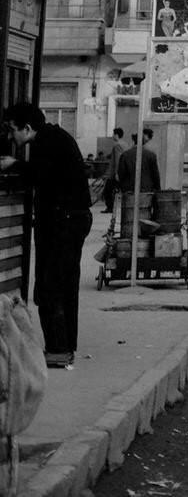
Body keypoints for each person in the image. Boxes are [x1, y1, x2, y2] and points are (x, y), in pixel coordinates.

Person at [1, 102, 95, 368]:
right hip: (68, 220)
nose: (10, 137)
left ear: (27, 128)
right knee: (62, 284)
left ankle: (59, 349)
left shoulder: (48, 142)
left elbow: (41, 175)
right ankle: (63, 348)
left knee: (52, 284)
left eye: (12, 130)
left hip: (63, 222)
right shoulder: (54, 138)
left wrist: (14, 164)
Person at [118, 127, 162, 197]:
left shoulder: (124, 155)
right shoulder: (151, 154)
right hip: (147, 189)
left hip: (129, 189)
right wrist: (157, 188)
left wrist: (122, 186)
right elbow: (155, 174)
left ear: (133, 141)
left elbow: (121, 173)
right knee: (145, 207)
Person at [102, 126, 129, 215]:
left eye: (113, 134)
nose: (113, 136)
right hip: (124, 172)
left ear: (116, 135)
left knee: (108, 191)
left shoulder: (117, 145)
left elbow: (118, 159)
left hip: (114, 174)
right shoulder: (125, 144)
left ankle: (109, 207)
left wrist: (117, 173)